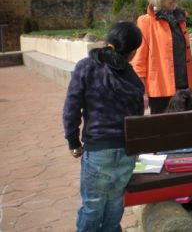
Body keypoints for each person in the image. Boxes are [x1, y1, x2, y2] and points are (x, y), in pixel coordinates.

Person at [63, 22, 144, 231]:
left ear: (109, 41)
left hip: (98, 149)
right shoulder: (132, 78)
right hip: (126, 151)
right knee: (115, 201)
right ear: (133, 52)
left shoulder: (86, 67)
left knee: (92, 205)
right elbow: (137, 117)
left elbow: (72, 107)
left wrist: (73, 141)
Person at [132, 0, 192, 114]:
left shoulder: (180, 20)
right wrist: (143, 92)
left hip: (185, 89)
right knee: (163, 132)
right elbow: (139, 62)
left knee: (187, 132)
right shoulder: (145, 22)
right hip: (161, 91)